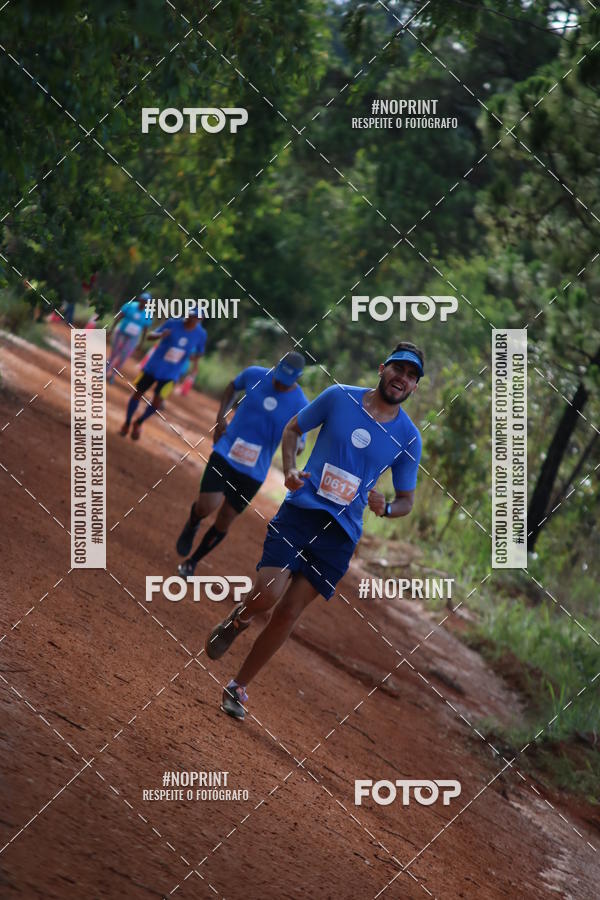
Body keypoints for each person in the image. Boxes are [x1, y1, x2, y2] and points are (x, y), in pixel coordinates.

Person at [203, 342, 425, 720]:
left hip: (341, 533)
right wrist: (289, 470)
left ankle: (238, 686)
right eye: (398, 369)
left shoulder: (408, 438)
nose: (402, 379)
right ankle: (240, 618)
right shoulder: (339, 397)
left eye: (411, 376)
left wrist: (385, 508)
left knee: (288, 613)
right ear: (382, 368)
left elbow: (406, 500)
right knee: (269, 593)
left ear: (415, 386)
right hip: (302, 510)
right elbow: (293, 428)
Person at [175, 351, 309, 576]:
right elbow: (232, 386)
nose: (279, 383)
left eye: (287, 380)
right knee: (207, 505)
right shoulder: (254, 374)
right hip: (227, 452)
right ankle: (194, 520)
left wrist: (296, 448)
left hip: (254, 471)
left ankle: (193, 562)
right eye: (279, 375)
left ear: (299, 377)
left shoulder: (302, 404)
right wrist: (221, 417)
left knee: (225, 520)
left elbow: (301, 441)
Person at [119, 307, 207, 441]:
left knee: (157, 402)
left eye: (197, 318)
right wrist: (160, 335)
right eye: (191, 316)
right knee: (138, 393)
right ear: (187, 314)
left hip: (172, 373)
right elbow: (150, 336)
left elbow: (200, 352)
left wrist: (195, 361)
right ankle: (127, 422)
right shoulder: (172, 323)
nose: (193, 320)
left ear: (201, 319)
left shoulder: (201, 334)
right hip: (153, 367)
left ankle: (139, 422)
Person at [107, 293, 154, 384]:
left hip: (133, 338)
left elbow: (145, 329)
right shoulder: (130, 306)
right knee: (114, 353)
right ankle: (104, 371)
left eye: (146, 302)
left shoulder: (148, 314)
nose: (144, 303)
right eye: (143, 300)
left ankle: (112, 375)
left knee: (123, 357)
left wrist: (141, 343)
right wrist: (112, 329)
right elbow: (119, 317)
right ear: (140, 299)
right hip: (121, 333)